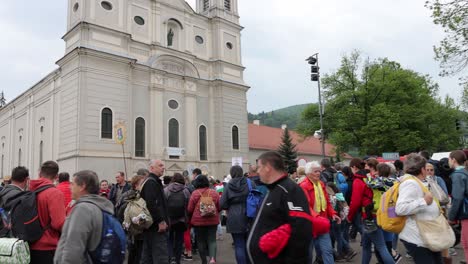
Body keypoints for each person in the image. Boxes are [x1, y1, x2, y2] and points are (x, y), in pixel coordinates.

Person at [247, 151, 312, 264]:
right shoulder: (274, 189)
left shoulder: (289, 190)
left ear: (268, 167)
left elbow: (301, 230)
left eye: (259, 167)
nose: (257, 171)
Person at [54, 170, 115, 263]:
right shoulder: (101, 206)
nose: (70, 187)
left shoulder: (83, 209)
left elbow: (73, 249)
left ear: (82, 186)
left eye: (73, 184)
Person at [395, 153, 443, 264]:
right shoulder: (411, 183)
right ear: (422, 169)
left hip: (426, 235)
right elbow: (401, 208)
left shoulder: (416, 182)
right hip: (417, 237)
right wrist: (424, 201)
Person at [347, 158, 394, 264]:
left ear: (354, 167)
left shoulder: (360, 180)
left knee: (381, 247)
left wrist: (349, 217)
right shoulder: (375, 178)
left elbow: (355, 202)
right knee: (366, 245)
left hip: (369, 216)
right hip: (380, 213)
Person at [299, 161, 343, 264]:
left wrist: (333, 214)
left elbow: (327, 202)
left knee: (327, 250)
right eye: (315, 171)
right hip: (310, 224)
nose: (318, 173)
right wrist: (317, 217)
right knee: (310, 253)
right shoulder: (303, 186)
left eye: (319, 171)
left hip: (322, 223)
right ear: (309, 173)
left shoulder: (321, 184)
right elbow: (305, 206)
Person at [29, 161, 66, 264]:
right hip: (47, 245)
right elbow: (58, 223)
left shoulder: (29, 190)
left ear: (40, 173)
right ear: (57, 176)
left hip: (30, 243)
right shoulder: (54, 193)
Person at [220, 166, 252, 264]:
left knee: (239, 245)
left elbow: (222, 204)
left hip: (234, 216)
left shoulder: (229, 185)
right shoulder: (249, 182)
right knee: (249, 243)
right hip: (249, 214)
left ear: (232, 173)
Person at [140, 159, 169, 264]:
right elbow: (152, 203)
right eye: (160, 165)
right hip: (156, 227)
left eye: (163, 165)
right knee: (160, 257)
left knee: (148, 257)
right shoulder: (151, 182)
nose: (163, 167)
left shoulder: (152, 181)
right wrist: (160, 221)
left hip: (151, 226)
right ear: (152, 168)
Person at [188, 175, 220, 264]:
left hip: (198, 223)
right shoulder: (214, 192)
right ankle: (212, 259)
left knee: (200, 241)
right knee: (212, 240)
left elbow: (190, 209)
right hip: (213, 221)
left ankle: (204, 261)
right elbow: (219, 206)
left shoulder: (194, 193)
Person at [165, 173, 191, 264]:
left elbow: (163, 204)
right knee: (179, 240)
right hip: (181, 219)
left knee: (169, 239)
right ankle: (178, 259)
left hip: (169, 219)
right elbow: (188, 205)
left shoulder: (166, 189)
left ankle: (171, 257)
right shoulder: (185, 190)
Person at [448, 150, 468, 263]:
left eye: (449, 159)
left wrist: (451, 217)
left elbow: (458, 198)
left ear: (454, 160)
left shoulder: (458, 175)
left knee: (466, 244)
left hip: (466, 214)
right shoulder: (465, 173)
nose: (448, 161)